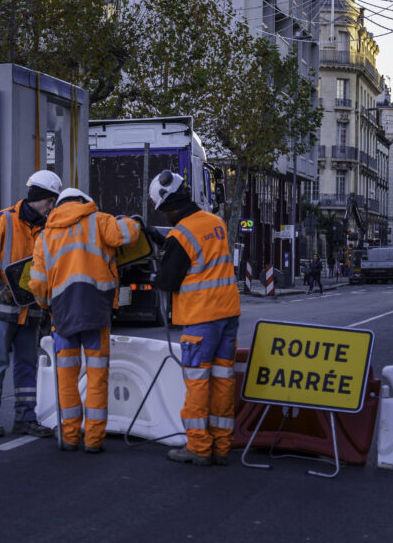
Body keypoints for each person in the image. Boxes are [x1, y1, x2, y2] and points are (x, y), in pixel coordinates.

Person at [28, 188, 140, 453]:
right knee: (97, 377)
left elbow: (39, 284)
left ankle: (69, 436)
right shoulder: (100, 221)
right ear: (84, 202)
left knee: (66, 379)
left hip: (63, 315)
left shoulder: (45, 236)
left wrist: (47, 306)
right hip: (97, 312)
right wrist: (131, 219)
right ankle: (93, 439)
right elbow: (130, 234)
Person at [148, 170, 240, 466]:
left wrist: (154, 276)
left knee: (198, 382)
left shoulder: (181, 233)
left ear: (169, 205)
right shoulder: (216, 223)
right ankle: (222, 445)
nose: (165, 218)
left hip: (201, 318)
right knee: (223, 380)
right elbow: (198, 255)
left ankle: (199, 446)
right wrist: (161, 240)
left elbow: (169, 279)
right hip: (228, 314)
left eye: (163, 212)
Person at [0, 170, 62, 439]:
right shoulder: (2, 221)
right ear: (40, 197)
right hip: (1, 309)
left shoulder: (49, 227)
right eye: (51, 200)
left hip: (30, 310)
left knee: (27, 366)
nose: (53, 206)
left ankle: (26, 419)